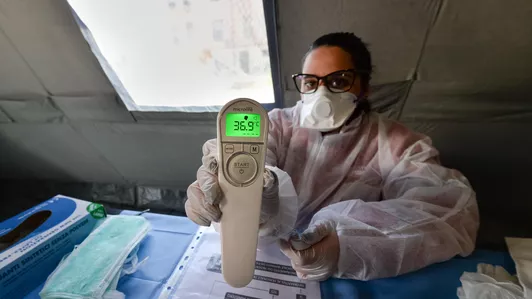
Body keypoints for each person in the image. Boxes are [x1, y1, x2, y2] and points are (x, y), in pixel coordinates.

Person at [185, 32, 479, 281]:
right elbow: (248, 161)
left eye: (338, 81)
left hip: (339, 274)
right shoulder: (275, 125)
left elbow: (448, 211)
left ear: (364, 87)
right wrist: (226, 190)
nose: (321, 94)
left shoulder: (396, 143)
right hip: (262, 257)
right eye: (311, 82)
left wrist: (349, 243)